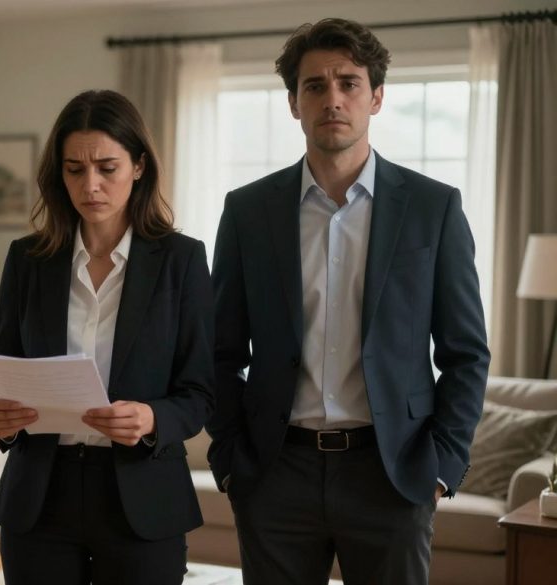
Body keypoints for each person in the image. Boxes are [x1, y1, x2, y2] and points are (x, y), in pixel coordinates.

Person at [207, 17, 490, 584]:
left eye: (349, 83)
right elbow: (218, 350)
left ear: (376, 97)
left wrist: (440, 468)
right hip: (275, 473)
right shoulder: (248, 212)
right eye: (315, 86)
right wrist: (232, 461)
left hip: (391, 473)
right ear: (293, 103)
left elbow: (465, 353)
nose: (332, 99)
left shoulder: (434, 209)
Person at [0, 89, 216, 585]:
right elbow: (3, 374)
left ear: (139, 167)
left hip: (142, 494)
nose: (90, 185)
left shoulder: (182, 260)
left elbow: (201, 393)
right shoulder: (27, 261)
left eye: (107, 167)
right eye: (74, 169)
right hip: (39, 498)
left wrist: (153, 416)